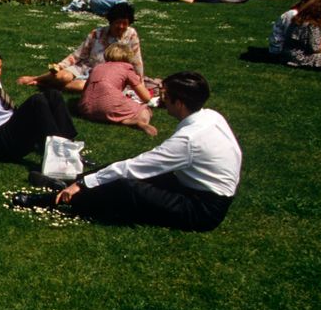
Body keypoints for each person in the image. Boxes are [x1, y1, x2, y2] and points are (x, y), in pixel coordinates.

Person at [25, 72, 241, 232]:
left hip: (202, 209)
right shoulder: (211, 116)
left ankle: (56, 198)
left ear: (180, 103)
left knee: (127, 187)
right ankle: (70, 182)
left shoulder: (190, 139)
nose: (161, 101)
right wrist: (85, 180)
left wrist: (84, 185)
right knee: (132, 172)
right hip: (192, 186)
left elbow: (135, 167)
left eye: (165, 96)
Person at [17, 3, 142, 93]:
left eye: (125, 23)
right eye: (117, 22)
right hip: (86, 67)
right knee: (62, 77)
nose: (121, 26)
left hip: (108, 75)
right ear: (111, 21)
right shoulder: (96, 34)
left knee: (84, 87)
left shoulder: (131, 35)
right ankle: (36, 78)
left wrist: (139, 82)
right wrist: (60, 66)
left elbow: (136, 60)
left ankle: (48, 85)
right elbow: (77, 54)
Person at [75, 43, 156, 135]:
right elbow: (146, 97)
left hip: (85, 108)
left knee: (105, 105)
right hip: (109, 105)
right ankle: (139, 122)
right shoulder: (127, 69)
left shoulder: (97, 67)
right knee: (144, 109)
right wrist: (140, 82)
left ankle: (120, 119)